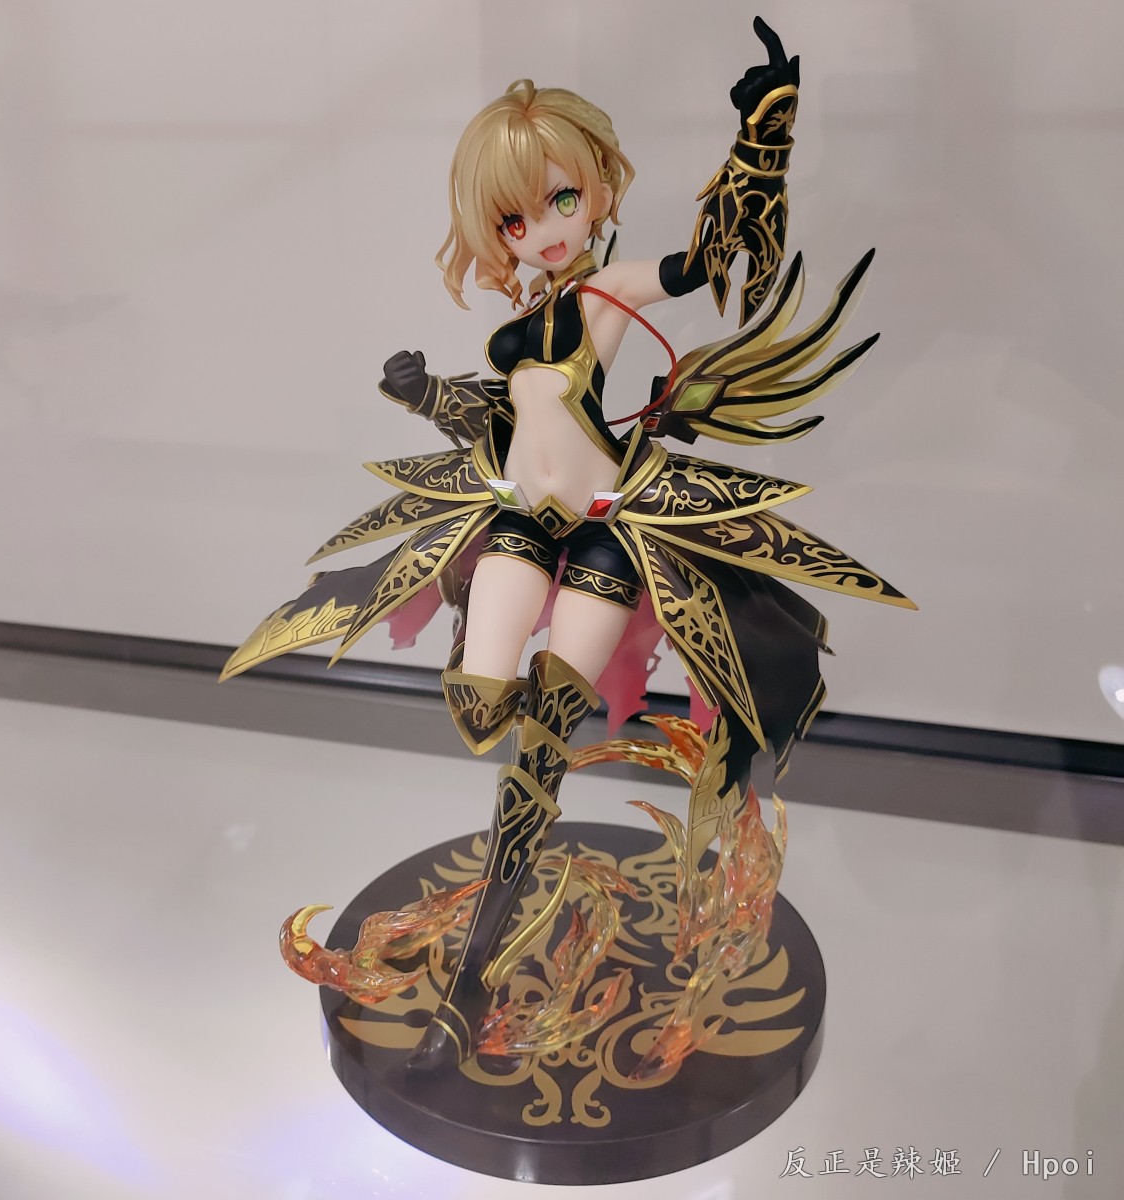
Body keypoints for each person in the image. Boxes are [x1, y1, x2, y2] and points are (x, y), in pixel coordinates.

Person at [222, 18, 912, 1075]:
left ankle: (478, 963)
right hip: (516, 520)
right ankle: (514, 763)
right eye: (514, 217)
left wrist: (761, 138)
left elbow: (711, 262)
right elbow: (503, 424)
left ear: (596, 191)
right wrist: (424, 396)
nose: (542, 230)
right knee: (477, 706)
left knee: (540, 740)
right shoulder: (515, 332)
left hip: (604, 533)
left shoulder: (607, 292)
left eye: (560, 201)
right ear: (489, 230)